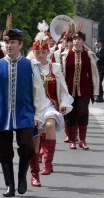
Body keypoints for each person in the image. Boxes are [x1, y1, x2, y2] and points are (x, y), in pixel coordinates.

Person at [0, 28, 47, 197]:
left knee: (27, 146)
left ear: (20, 45)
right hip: (1, 114)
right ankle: (9, 185)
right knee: (3, 150)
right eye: (7, 42)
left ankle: (22, 176)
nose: (9, 45)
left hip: (24, 113)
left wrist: (38, 115)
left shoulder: (30, 66)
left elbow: (38, 92)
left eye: (12, 43)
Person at [31, 40, 73, 186]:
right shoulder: (29, 67)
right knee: (34, 136)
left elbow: (62, 88)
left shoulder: (54, 68)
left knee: (50, 125)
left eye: (43, 52)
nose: (41, 55)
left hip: (50, 105)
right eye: (38, 52)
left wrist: (63, 103)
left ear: (48, 52)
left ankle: (48, 163)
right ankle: (34, 169)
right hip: (34, 107)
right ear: (34, 53)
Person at [62, 29, 99, 149]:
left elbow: (94, 74)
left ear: (83, 42)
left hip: (84, 89)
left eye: (79, 39)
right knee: (70, 114)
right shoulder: (65, 55)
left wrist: (95, 91)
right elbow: (61, 73)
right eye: (75, 39)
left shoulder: (88, 55)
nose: (76, 41)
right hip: (69, 90)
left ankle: (82, 140)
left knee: (82, 112)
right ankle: (72, 139)